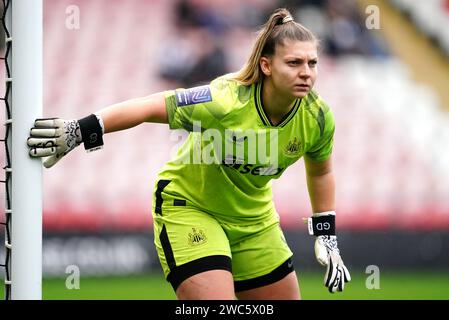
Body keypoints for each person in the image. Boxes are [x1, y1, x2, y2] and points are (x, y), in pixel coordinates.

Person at [27, 8, 350, 300]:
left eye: (312, 62)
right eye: (294, 62)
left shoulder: (318, 117)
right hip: (190, 208)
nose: (306, 72)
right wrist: (79, 130)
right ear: (266, 65)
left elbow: (321, 171)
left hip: (254, 220)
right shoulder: (224, 100)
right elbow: (148, 107)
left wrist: (327, 235)